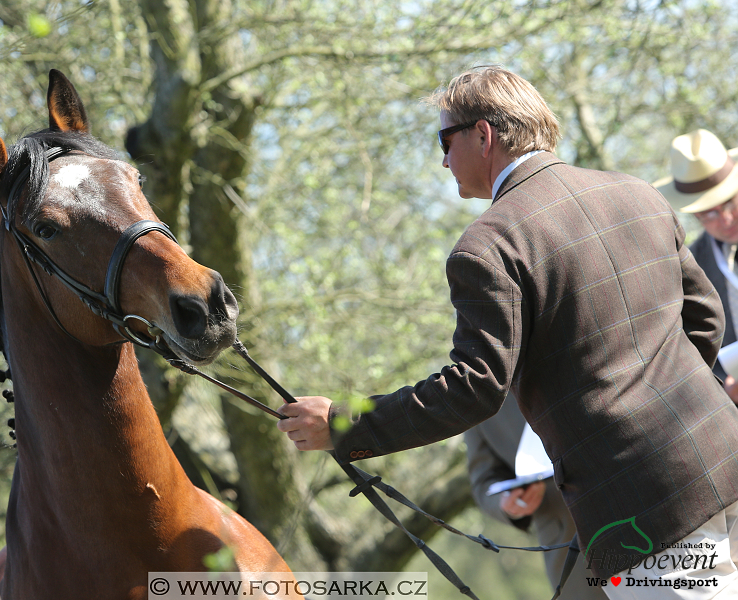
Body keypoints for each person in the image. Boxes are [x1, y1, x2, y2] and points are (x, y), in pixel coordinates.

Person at [277, 66, 738, 598]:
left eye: (444, 140)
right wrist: (673, 400)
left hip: (644, 507)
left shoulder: (488, 245)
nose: (443, 159)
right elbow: (705, 315)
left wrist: (342, 423)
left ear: (483, 134)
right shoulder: (635, 193)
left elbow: (473, 388)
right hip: (725, 451)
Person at [465, 398, 607, 600]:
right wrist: (505, 504)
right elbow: (483, 482)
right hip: (565, 543)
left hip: (631, 504)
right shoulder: (473, 397)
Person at [654, 129, 738, 401]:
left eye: (731, 202)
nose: (726, 219)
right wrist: (723, 389)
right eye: (710, 213)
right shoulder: (691, 268)